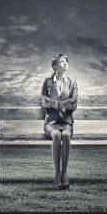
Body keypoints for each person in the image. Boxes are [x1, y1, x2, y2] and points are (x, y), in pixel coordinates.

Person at [41, 54, 78, 189]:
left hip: (67, 122)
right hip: (51, 123)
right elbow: (43, 101)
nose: (65, 64)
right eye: (62, 62)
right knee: (56, 134)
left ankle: (65, 173)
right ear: (55, 66)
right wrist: (50, 104)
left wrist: (70, 105)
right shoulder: (48, 82)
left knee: (66, 135)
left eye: (66, 62)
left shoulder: (72, 82)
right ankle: (57, 173)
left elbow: (74, 102)